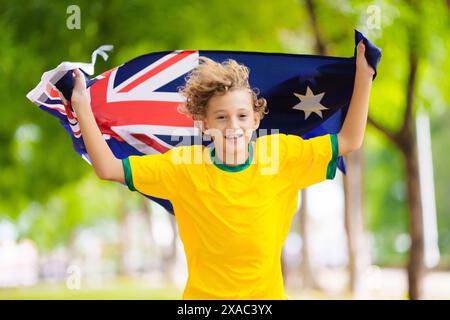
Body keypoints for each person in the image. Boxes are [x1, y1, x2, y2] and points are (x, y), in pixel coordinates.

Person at [70, 41, 374, 299]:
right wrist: (82, 105)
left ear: (256, 120)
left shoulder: (281, 155)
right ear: (204, 124)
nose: (233, 126)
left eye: (242, 115)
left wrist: (364, 75)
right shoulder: (182, 168)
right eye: (221, 117)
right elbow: (108, 168)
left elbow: (349, 140)